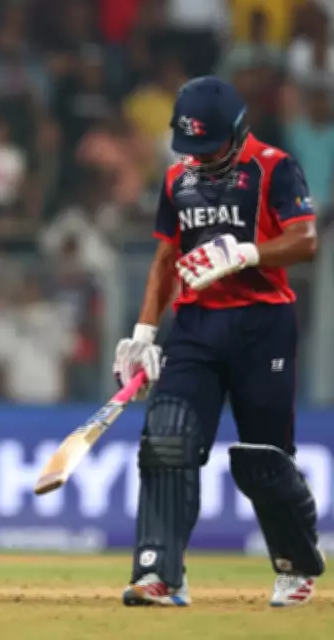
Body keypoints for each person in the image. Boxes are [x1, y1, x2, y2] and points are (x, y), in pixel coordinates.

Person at [113, 76, 325, 608]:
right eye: (192, 149)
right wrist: (142, 333)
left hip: (263, 326)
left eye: (211, 149)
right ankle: (160, 574)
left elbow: (306, 240)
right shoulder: (176, 179)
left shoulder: (276, 167)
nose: (201, 161)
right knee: (166, 439)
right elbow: (165, 258)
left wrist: (244, 254)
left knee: (263, 459)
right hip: (196, 326)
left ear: (238, 131)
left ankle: (296, 565)